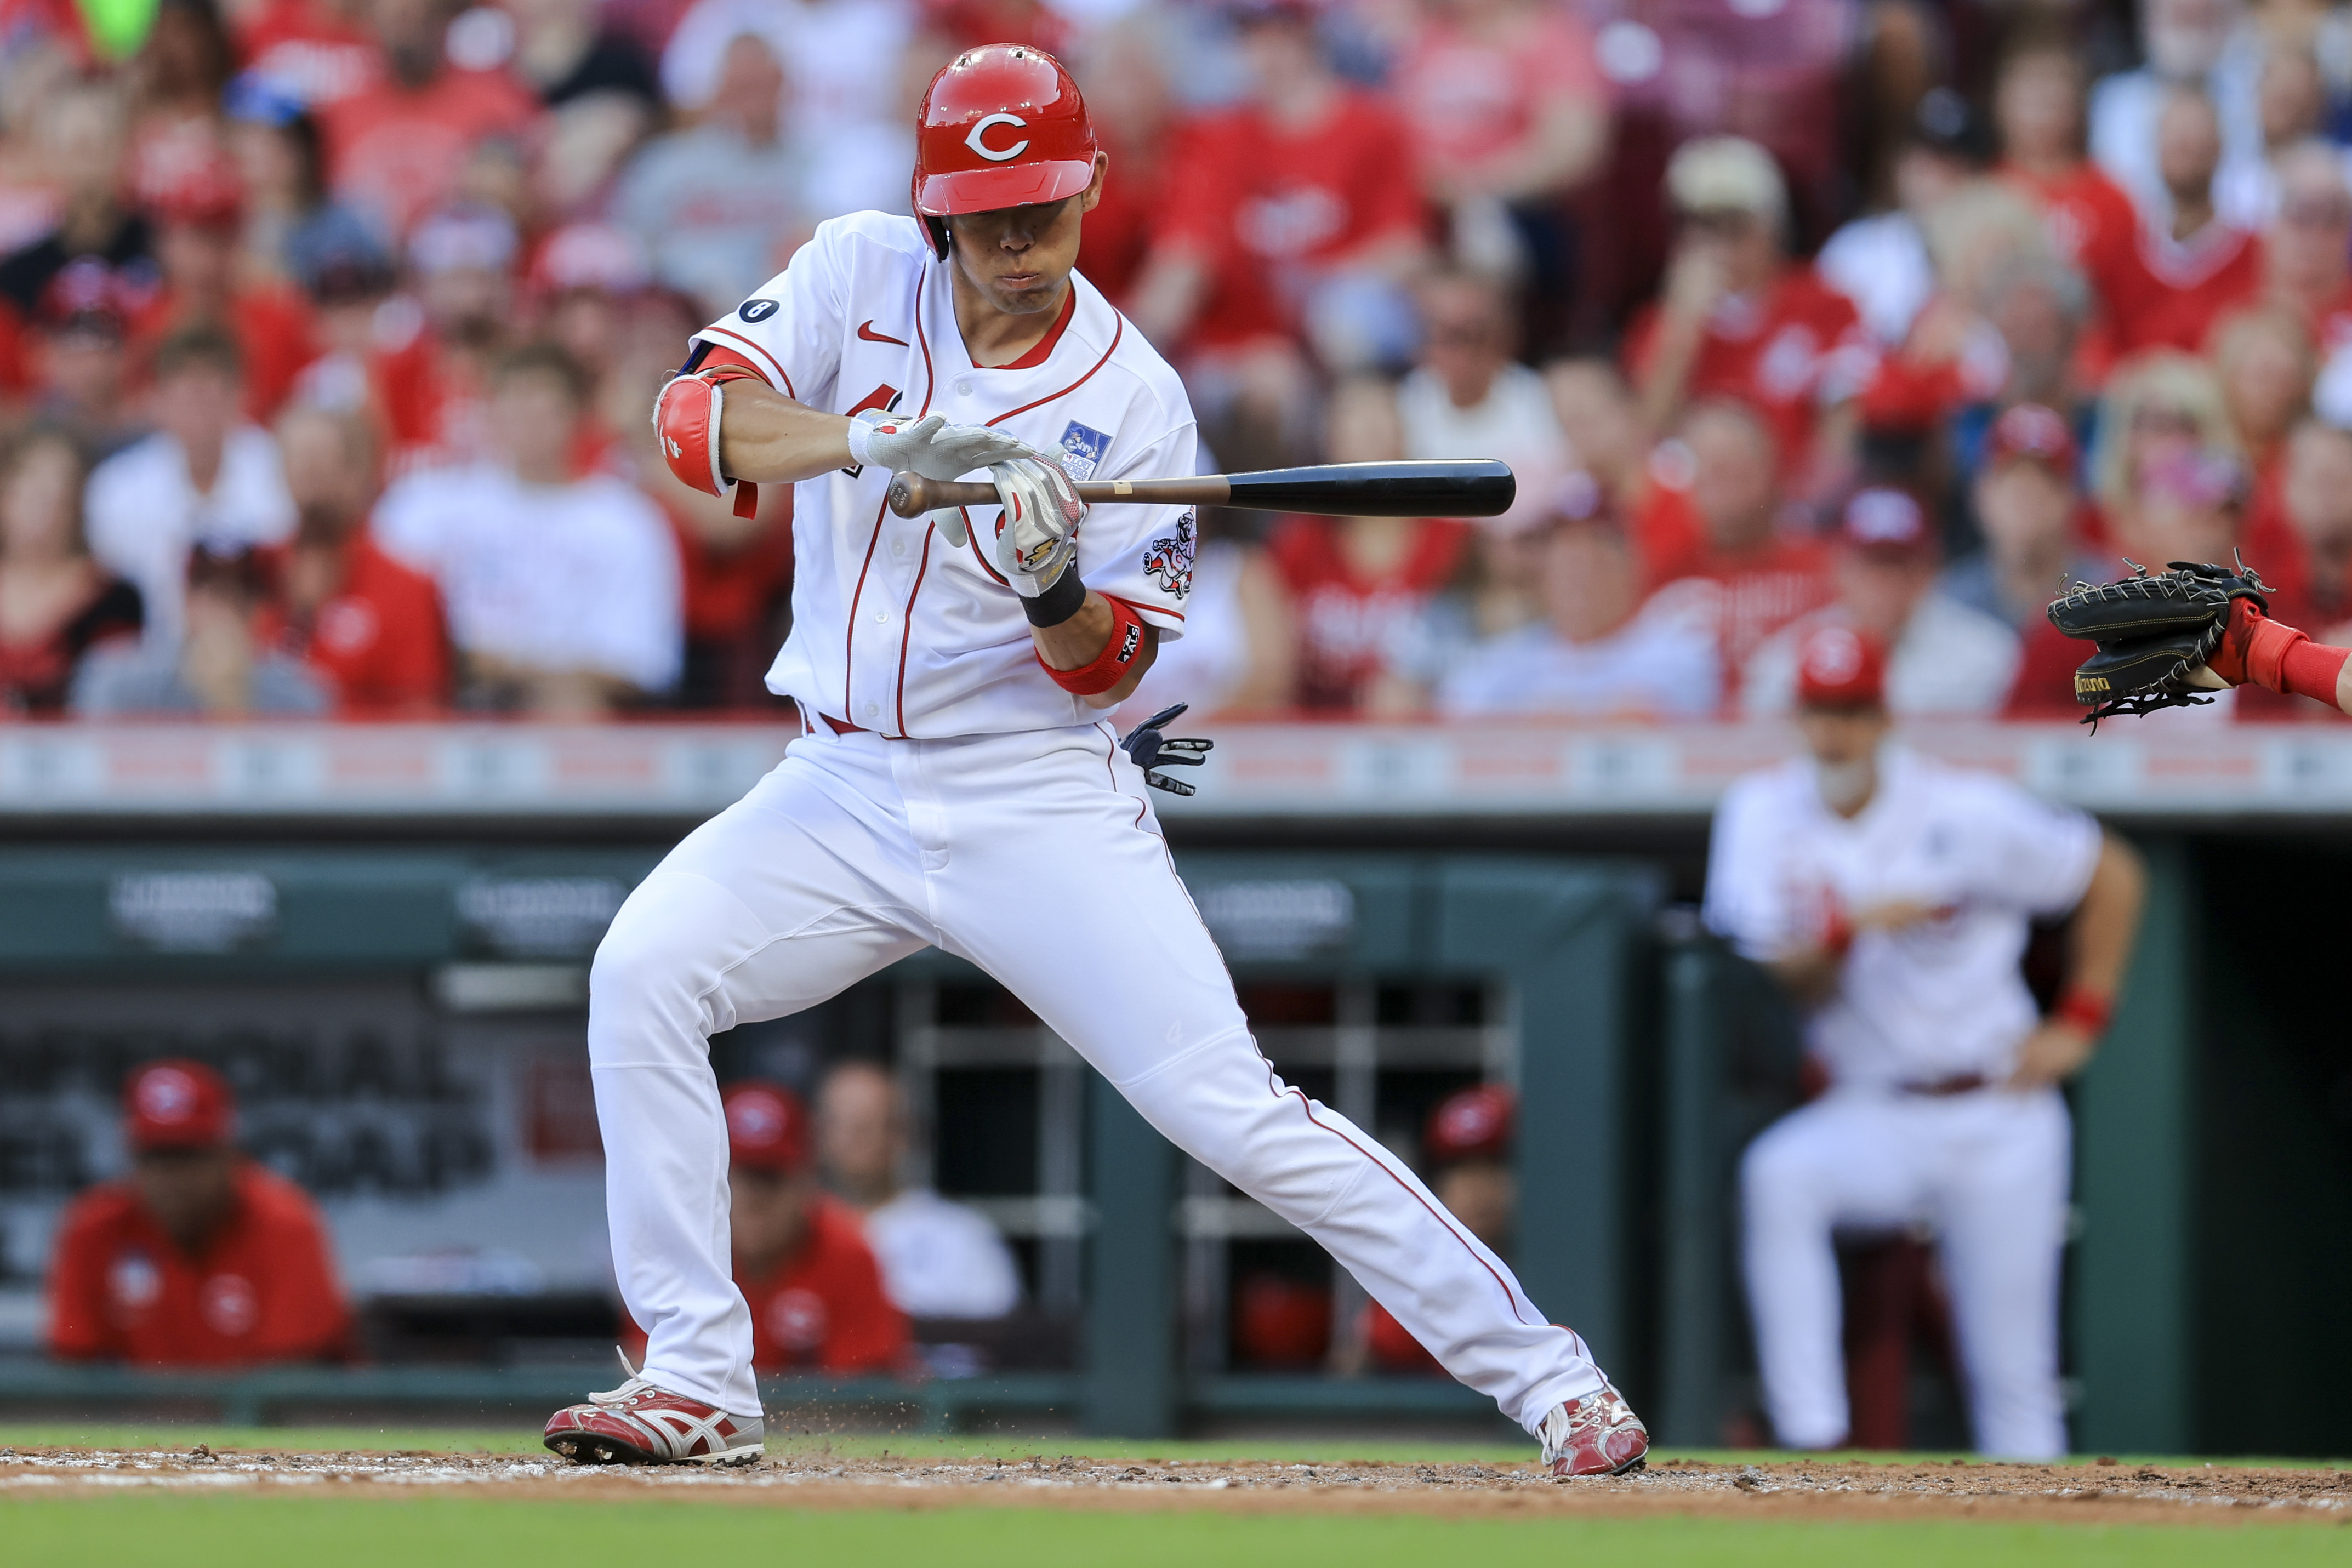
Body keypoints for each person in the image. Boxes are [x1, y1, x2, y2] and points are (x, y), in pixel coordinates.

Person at [540, 44, 1648, 1478]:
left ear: (1091, 193)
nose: (1014, 241)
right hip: (836, 783)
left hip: (1031, 786)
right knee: (640, 972)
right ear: (935, 205)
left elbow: (1112, 666)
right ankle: (697, 1374)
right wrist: (867, 442)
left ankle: (1552, 1381)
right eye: (985, 212)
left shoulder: (1134, 399)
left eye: (1041, 210)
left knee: (1227, 1106)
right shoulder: (857, 269)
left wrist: (1049, 576)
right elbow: (691, 421)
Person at [1706, 625, 2147, 1457]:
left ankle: (2038, 1527)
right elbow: (1785, 977)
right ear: (1797, 718)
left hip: (1997, 1104)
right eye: (1818, 712)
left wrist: (2080, 1020)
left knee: (2014, 1379)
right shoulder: (1761, 813)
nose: (1833, 732)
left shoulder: (1963, 808)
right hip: (1872, 1105)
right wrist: (1850, 926)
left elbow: (2111, 872)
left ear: (1881, 717)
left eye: (1850, 711)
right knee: (1778, 1176)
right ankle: (1811, 1439)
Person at [373, 343, 680, 713]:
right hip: (443, 693)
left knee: (573, 706)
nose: (527, 417)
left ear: (577, 415)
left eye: (544, 404)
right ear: (491, 411)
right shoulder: (430, 504)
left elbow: (638, 663)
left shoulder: (625, 521)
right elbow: (380, 613)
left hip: (563, 711)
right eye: (513, 400)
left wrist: (514, 670)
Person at [47, 1059, 356, 1366]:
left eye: (189, 1155)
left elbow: (295, 1378)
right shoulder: (95, 1227)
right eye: (155, 1157)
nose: (171, 1176)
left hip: (251, 1416)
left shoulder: (284, 1221)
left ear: (228, 1153)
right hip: (136, 1416)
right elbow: (73, 1371)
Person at [1624, 136, 1872, 493]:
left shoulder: (1823, 303)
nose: (1711, 242)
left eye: (1729, 224)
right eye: (1693, 223)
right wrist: (1682, 328)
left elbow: (1844, 427)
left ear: (1770, 225)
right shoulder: (1657, 325)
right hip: (1699, 510)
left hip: (1798, 507)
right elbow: (1646, 437)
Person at [620, 1081, 908, 1376]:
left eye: (770, 1178)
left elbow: (871, 1399)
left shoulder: (848, 1254)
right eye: (736, 1178)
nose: (753, 1199)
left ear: (806, 1182)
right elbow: (650, 1378)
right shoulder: (677, 1254)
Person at [1257, 377, 1474, 714]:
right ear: (1330, 445)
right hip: (1315, 732)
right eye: (1355, 425)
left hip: (1432, 728)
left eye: (1380, 422)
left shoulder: (1452, 540)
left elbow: (1482, 644)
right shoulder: (1298, 542)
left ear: (1405, 435)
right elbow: (1271, 660)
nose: (1370, 435)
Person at [1434, 474, 1719, 719]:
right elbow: (1455, 718)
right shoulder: (1506, 660)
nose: (1579, 575)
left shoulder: (1678, 655)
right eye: (1566, 558)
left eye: (1595, 557)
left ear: (1631, 566)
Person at [84, 324, 297, 647]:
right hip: (152, 658)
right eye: (185, 395)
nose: (198, 411)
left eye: (210, 395)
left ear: (241, 397)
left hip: (261, 653)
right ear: (156, 400)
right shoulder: (116, 487)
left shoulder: (283, 472)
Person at [1744, 488, 2020, 718]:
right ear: (1841, 571)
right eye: (1871, 566)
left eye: (1900, 565)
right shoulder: (1788, 658)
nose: (1885, 583)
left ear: (1928, 573)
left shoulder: (1985, 652)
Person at [260, 403, 448, 715]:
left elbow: (418, 718)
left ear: (359, 472)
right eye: (297, 463)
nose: (310, 479)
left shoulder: (406, 588)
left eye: (321, 464)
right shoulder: (253, 573)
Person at [613, 32, 806, 318]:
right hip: (678, 315)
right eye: (741, 87)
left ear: (784, 90)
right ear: (718, 89)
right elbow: (631, 250)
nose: (752, 100)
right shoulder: (665, 163)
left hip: (774, 318)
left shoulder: (812, 166)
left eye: (763, 86)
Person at [814, 1060, 1021, 1322]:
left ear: (902, 1134)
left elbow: (998, 1346)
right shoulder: (778, 1233)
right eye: (840, 1125)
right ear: (817, 1133)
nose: (853, 1141)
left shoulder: (962, 1234)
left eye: (866, 1127)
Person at [1362, 1084, 1518, 1376]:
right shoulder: (1417, 1273)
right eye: (1458, 1172)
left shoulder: (1568, 1270)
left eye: (1492, 1167)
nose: (1474, 1190)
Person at [72, 541, 331, 716]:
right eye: (211, 595)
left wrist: (235, 703)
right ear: (186, 601)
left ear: (258, 610)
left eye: (238, 598)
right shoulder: (118, 675)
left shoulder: (298, 691)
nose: (224, 611)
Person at [2101, 86, 2265, 356]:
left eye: (2197, 136)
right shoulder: (2120, 254)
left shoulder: (2257, 255)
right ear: (2155, 148)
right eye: (2174, 137)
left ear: (2220, 147)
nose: (2186, 145)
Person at [0, 425, 143, 714]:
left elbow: (122, 703)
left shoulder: (115, 600)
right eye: (33, 494)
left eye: (60, 498)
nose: (46, 513)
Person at [1397, 270, 1572, 503]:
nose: (1459, 351)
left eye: (1473, 334)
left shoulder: (1546, 403)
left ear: (1505, 336)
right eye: (1445, 334)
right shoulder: (1400, 407)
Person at [1939, 404, 2108, 632]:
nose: (2027, 498)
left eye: (2045, 482)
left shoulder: (2108, 596)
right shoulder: (1951, 603)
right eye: (2012, 481)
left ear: (2073, 498)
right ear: (1981, 494)